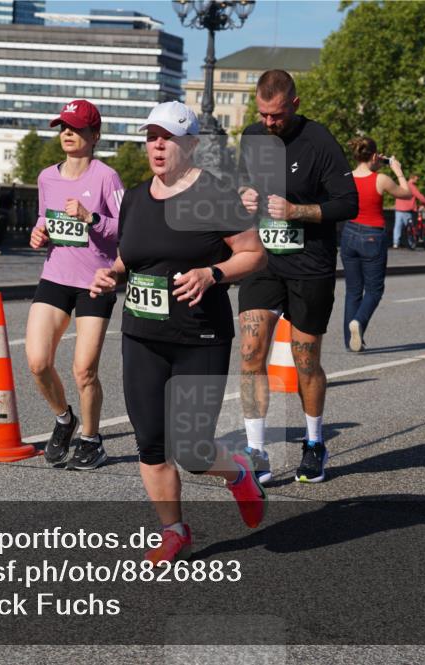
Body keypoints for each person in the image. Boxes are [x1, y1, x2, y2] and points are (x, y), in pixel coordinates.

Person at [89, 101, 268, 564]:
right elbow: (132, 258)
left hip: (200, 337)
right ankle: (174, 530)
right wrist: (112, 274)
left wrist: (213, 273)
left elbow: (253, 255)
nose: (158, 145)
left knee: (191, 449)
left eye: (167, 137)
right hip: (143, 335)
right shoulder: (133, 198)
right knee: (150, 442)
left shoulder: (215, 194)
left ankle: (238, 475)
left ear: (190, 144)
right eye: (151, 136)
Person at [236, 70, 358, 485]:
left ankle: (314, 443)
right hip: (263, 261)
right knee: (251, 353)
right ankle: (256, 451)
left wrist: (297, 211)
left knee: (306, 361)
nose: (269, 123)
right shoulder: (252, 137)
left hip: (310, 263)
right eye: (263, 114)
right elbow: (238, 184)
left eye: (277, 115)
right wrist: (243, 194)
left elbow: (348, 203)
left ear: (295, 104)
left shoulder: (319, 141)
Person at [28, 100, 125, 470]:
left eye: (76, 128)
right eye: (63, 127)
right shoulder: (46, 177)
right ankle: (64, 420)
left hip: (94, 283)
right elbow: (44, 220)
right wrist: (39, 235)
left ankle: (92, 439)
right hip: (54, 276)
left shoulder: (106, 177)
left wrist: (92, 217)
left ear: (94, 135)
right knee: (38, 363)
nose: (67, 133)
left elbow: (124, 228)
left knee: (84, 370)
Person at [343, 136, 411, 352]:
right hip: (372, 236)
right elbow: (407, 193)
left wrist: (375, 160)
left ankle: (350, 341)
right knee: (374, 290)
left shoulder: (346, 177)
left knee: (353, 291)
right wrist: (397, 170)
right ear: (374, 156)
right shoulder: (381, 179)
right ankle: (359, 322)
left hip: (349, 233)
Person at [392, 174, 425, 248]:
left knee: (397, 227)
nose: (417, 180)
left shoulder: (402, 184)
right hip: (407, 210)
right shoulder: (411, 186)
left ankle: (396, 243)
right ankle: (410, 242)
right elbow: (420, 196)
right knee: (410, 228)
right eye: (416, 178)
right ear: (413, 178)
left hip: (398, 209)